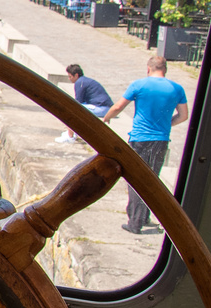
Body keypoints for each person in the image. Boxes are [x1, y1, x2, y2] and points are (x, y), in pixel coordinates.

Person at [103, 54, 190, 234]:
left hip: (140, 139)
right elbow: (183, 116)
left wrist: (107, 118)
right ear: (165, 69)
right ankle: (144, 216)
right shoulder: (176, 88)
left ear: (148, 69)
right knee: (152, 179)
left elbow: (118, 106)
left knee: (136, 179)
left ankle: (135, 223)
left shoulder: (139, 85)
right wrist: (167, 124)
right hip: (161, 140)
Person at [56, 63, 113, 143]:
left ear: (76, 75)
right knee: (75, 109)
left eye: (70, 76)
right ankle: (72, 133)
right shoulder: (84, 80)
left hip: (102, 108)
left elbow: (77, 104)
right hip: (104, 107)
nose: (69, 79)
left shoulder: (80, 82)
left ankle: (70, 137)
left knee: (71, 110)